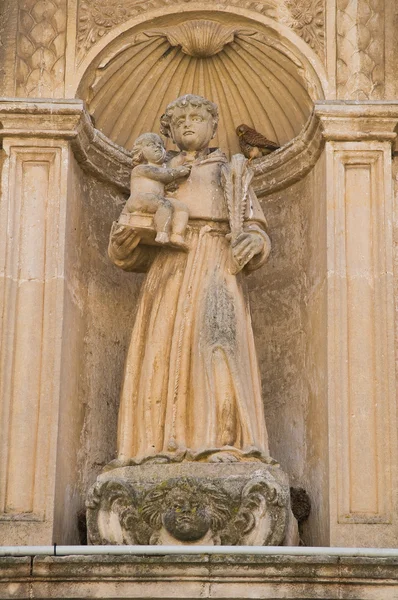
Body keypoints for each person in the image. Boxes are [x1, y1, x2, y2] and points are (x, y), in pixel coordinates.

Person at [108, 94, 272, 465]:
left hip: (217, 259)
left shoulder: (229, 170)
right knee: (161, 349)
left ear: (213, 126)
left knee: (219, 345)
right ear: (167, 132)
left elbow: (256, 227)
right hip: (170, 265)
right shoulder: (157, 173)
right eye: (180, 120)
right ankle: (155, 448)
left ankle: (223, 442)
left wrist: (254, 241)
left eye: (197, 117)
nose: (188, 123)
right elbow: (129, 247)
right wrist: (124, 240)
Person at [124, 133, 190, 248]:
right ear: (140, 152)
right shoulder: (141, 169)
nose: (157, 146)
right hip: (139, 200)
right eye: (150, 144)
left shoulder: (163, 168)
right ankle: (162, 233)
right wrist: (178, 172)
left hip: (154, 200)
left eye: (160, 144)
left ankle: (177, 235)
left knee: (181, 207)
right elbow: (163, 175)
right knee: (164, 204)